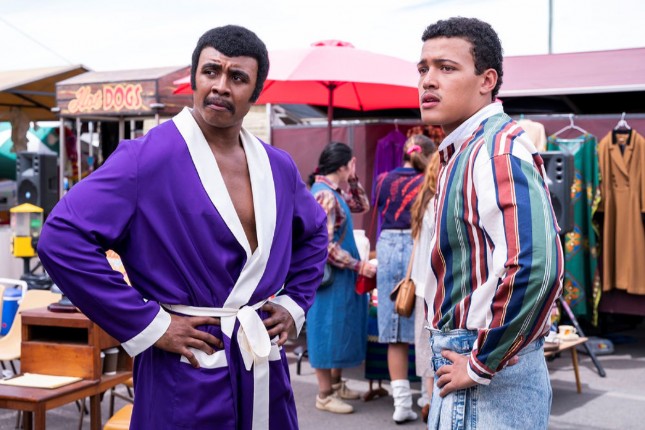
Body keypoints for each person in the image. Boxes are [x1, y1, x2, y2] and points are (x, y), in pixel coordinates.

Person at [37, 25, 329, 430]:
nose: (221, 86)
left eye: (237, 77)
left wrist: (294, 303)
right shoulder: (146, 157)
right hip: (185, 366)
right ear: (194, 77)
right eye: (211, 71)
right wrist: (149, 324)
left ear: (256, 92)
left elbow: (314, 232)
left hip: (262, 362)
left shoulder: (278, 167)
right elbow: (60, 238)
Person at [417, 17, 564, 429]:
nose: (428, 80)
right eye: (423, 68)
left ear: (487, 80)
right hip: (466, 364)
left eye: (446, 68)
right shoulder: (466, 150)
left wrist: (481, 362)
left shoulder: (495, 149)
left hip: (482, 376)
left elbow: (537, 267)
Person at [307, 142, 377, 414]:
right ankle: (324, 395)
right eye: (351, 164)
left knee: (337, 328)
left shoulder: (332, 191)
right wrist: (358, 265)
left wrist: (354, 178)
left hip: (339, 274)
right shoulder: (326, 195)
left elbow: (361, 205)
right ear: (342, 165)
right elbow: (324, 246)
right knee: (326, 329)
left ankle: (335, 385)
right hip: (332, 276)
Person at [374, 133, 435, 424]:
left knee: (393, 329)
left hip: (387, 247)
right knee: (425, 326)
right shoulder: (429, 183)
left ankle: (400, 404)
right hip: (416, 246)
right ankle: (426, 396)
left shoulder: (382, 180)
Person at [409, 148, 440, 423]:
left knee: (424, 343)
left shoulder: (422, 201)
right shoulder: (438, 203)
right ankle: (434, 401)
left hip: (420, 282)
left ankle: (429, 398)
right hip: (435, 284)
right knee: (436, 342)